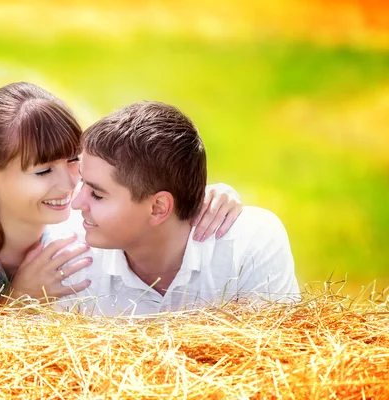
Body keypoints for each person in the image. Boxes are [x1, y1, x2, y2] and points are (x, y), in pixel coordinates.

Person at [0, 82, 242, 306]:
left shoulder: (77, 229)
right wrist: (20, 301)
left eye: (73, 161)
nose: (69, 185)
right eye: (43, 171)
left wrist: (198, 194)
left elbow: (137, 199)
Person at [58, 101, 300, 316]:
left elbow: (279, 357)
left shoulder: (250, 246)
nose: (77, 203)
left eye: (98, 195)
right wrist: (23, 293)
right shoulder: (66, 256)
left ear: (158, 208)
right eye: (82, 182)